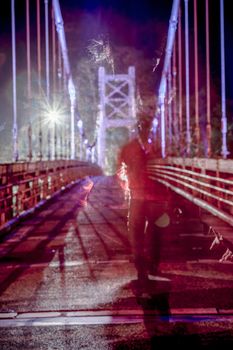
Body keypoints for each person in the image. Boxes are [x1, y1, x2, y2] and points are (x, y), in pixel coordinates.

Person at [117, 106, 172, 284]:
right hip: (155, 199)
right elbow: (170, 169)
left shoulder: (128, 148)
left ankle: (142, 268)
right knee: (155, 233)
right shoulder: (160, 147)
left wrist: (127, 186)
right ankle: (151, 266)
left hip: (139, 197)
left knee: (137, 233)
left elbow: (120, 171)